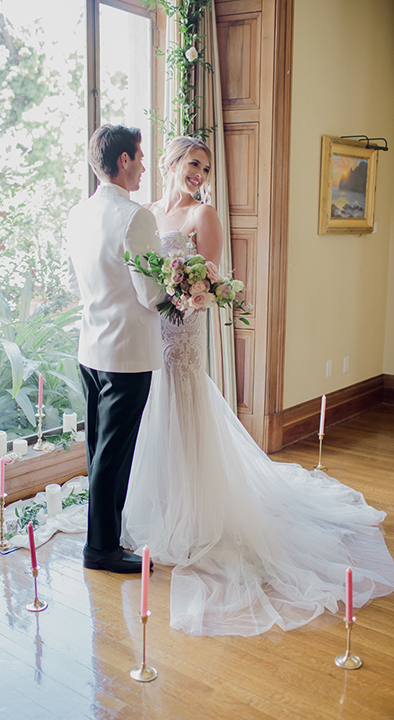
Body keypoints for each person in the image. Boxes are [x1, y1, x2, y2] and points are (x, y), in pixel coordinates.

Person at [121, 136, 394, 635]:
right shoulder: (146, 214)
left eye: (205, 167)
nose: (199, 173)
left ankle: (196, 516)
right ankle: (158, 504)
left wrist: (189, 294)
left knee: (182, 410)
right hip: (145, 335)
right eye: (193, 163)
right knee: (150, 416)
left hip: (181, 334)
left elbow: (214, 285)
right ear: (172, 162)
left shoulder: (205, 218)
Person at [66, 124, 163, 573]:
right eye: (140, 157)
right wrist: (179, 291)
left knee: (98, 451)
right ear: (123, 161)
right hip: (126, 351)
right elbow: (149, 293)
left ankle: (104, 536)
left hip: (92, 347)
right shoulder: (135, 216)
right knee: (114, 452)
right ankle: (101, 548)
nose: (143, 166)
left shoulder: (79, 213)